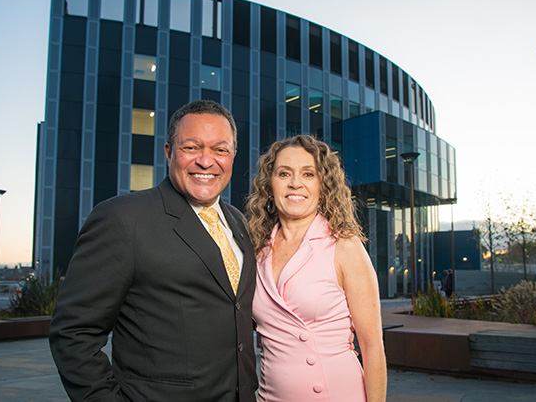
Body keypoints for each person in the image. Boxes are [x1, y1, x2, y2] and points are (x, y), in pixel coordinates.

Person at [49, 100, 257, 402]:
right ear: (169, 152)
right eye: (191, 147)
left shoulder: (240, 223)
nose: (206, 161)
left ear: (233, 156)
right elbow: (72, 333)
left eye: (220, 150)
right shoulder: (123, 219)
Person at [245, 135, 387, 402]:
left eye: (308, 174)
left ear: (322, 185)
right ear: (269, 183)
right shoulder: (257, 250)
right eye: (284, 173)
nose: (295, 183)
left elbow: (372, 347)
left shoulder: (345, 247)